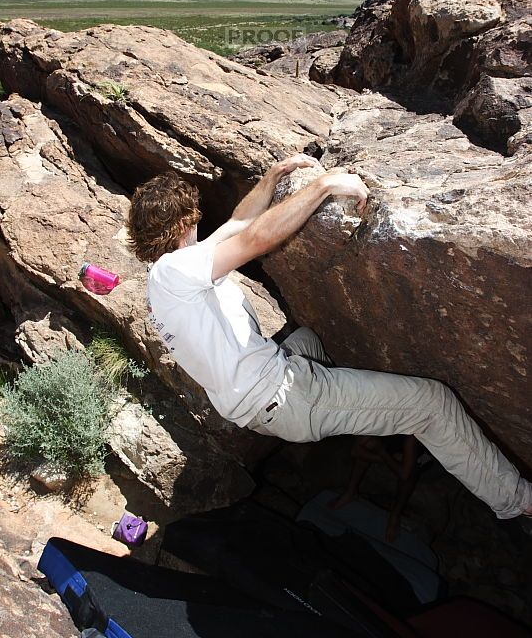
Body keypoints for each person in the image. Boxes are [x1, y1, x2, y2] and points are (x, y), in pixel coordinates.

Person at [126, 156, 532, 523]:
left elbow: (237, 225)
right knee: (432, 403)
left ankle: (363, 416)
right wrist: (321, 186)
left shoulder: (165, 278)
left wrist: (271, 177)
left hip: (260, 404)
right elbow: (254, 241)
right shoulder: (176, 271)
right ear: (183, 223)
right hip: (285, 396)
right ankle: (518, 501)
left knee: (306, 339)